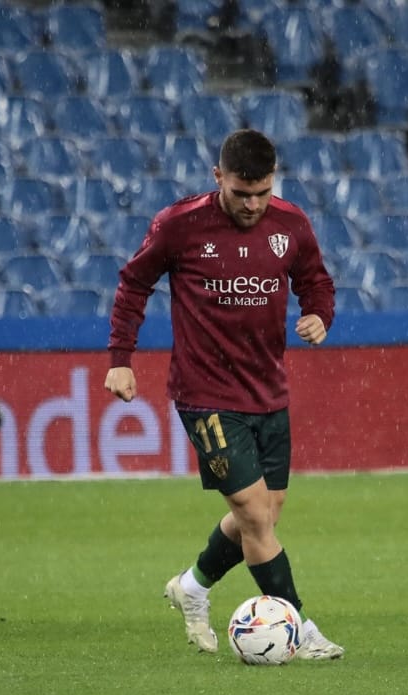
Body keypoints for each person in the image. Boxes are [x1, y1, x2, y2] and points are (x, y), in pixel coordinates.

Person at [103, 128, 344, 660]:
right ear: (218, 179)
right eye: (241, 193)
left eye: (262, 193)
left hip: (268, 390)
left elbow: (317, 282)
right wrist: (120, 359)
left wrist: (317, 315)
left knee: (265, 512)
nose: (253, 205)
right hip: (205, 393)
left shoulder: (292, 223)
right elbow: (133, 283)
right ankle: (299, 630)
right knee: (256, 516)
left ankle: (192, 586)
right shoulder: (179, 225)